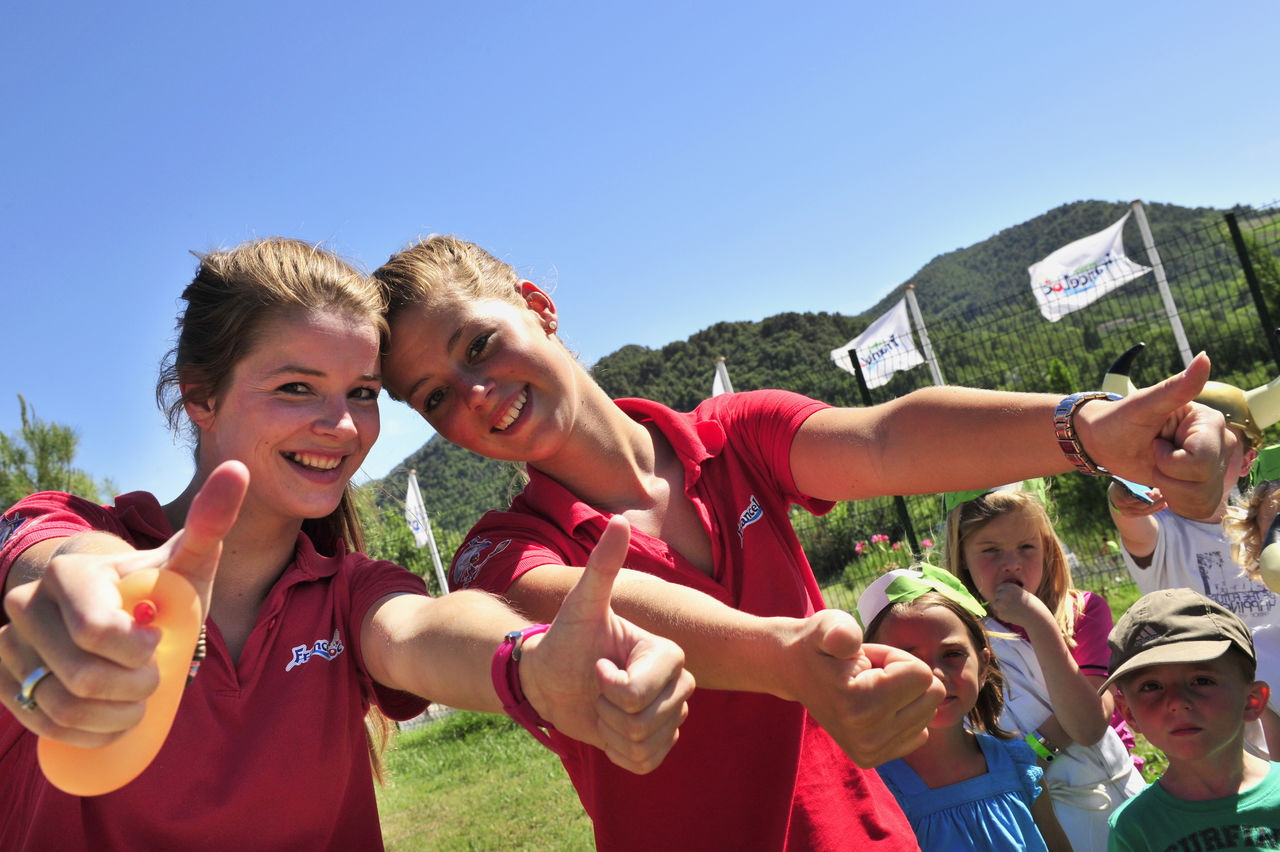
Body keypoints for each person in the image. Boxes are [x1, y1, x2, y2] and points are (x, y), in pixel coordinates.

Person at [372, 233, 1236, 850]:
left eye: (479, 345)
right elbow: (576, 604)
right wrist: (785, 657)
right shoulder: (500, 551)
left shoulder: (736, 434)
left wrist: (1085, 430)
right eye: (435, 397)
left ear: (538, 307)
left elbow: (885, 439)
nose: (475, 393)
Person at [0, 237, 694, 851]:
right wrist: (95, 592)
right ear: (201, 399)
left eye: (361, 392)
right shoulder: (73, 527)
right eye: (297, 387)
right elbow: (52, 555)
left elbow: (416, 632)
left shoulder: (351, 589)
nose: (341, 425)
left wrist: (530, 664)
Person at [944, 488, 1144, 850]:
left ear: (1048, 547)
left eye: (1026, 547)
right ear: (962, 558)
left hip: (1108, 795)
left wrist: (1039, 623)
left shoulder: (1084, 612)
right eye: (990, 550)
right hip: (1027, 812)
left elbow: (1087, 725)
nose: (1012, 564)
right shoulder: (958, 638)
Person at [857, 565, 1069, 852]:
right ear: (876, 669)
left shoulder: (1018, 765)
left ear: (982, 665)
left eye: (952, 654)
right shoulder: (874, 789)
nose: (935, 675)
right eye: (908, 659)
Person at [1103, 588, 1280, 851]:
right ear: (1128, 713)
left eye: (1202, 681)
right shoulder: (1135, 828)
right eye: (1151, 687)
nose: (1176, 702)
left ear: (1252, 700)